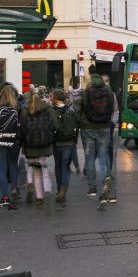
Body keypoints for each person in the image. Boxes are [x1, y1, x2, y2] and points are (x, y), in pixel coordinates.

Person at [78, 65, 118, 208]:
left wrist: (81, 124)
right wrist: (111, 123)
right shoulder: (108, 90)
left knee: (89, 157)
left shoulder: (86, 90)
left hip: (88, 128)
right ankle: (106, 179)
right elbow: (114, 108)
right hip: (104, 127)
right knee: (103, 157)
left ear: (89, 75)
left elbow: (79, 109)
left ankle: (92, 188)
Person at [20, 88, 55, 209]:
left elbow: (22, 128)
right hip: (44, 144)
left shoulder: (25, 110)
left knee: (35, 171)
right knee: (43, 168)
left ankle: (39, 197)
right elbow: (52, 124)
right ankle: (48, 189)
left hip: (30, 145)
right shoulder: (47, 108)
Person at [0, 84, 20, 208]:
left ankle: (5, 197)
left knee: (1, 169)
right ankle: (14, 188)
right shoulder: (18, 108)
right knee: (13, 165)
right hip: (14, 141)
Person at [50, 88, 78, 204]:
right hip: (69, 142)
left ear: (56, 98)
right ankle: (63, 189)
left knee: (58, 165)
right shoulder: (71, 110)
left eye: (52, 96)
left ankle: (58, 190)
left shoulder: (51, 111)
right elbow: (76, 126)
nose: (50, 98)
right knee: (66, 167)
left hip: (57, 143)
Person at [68, 75, 82, 174]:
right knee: (73, 145)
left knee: (69, 145)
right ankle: (76, 166)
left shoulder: (68, 93)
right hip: (77, 121)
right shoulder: (82, 93)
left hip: (69, 120)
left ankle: (69, 166)